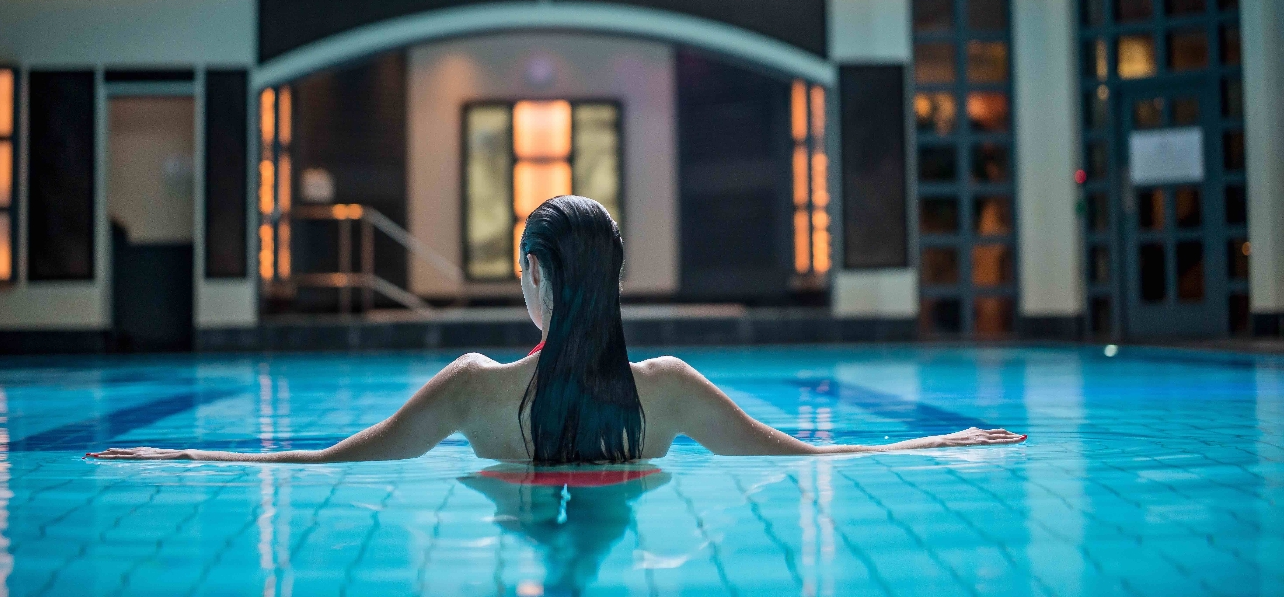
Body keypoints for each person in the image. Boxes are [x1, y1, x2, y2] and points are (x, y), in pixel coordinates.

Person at [88, 195, 1024, 464]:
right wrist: (943, 440)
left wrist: (184, 458)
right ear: (616, 281)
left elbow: (327, 462)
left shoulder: (471, 391)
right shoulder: (669, 392)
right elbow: (811, 458)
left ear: (532, 277)